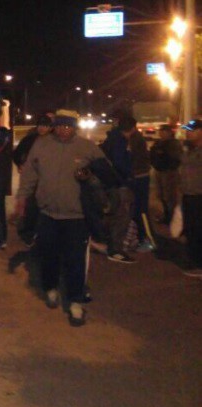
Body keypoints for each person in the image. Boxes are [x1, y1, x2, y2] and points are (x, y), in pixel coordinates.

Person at [15, 110, 107, 326]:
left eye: (69, 127)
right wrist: (22, 198)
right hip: (48, 213)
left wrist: (92, 179)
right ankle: (51, 287)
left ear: (75, 128)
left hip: (77, 217)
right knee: (48, 254)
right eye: (61, 126)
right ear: (55, 126)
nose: (65, 130)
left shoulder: (86, 147)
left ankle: (76, 301)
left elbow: (106, 175)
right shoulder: (41, 145)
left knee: (75, 260)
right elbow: (29, 174)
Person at [99, 117, 138, 264]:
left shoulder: (111, 138)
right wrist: (128, 178)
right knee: (122, 216)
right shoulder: (120, 141)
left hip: (110, 184)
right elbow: (120, 163)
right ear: (133, 128)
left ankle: (108, 243)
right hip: (120, 184)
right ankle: (115, 250)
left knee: (113, 214)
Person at [12, 114, 53, 246]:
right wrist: (21, 164)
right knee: (31, 205)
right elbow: (17, 153)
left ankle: (41, 233)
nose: (42, 129)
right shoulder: (30, 139)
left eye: (46, 126)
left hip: (47, 178)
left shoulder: (54, 141)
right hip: (32, 178)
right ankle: (28, 233)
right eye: (40, 125)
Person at [124, 117, 158, 252]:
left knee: (141, 210)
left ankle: (148, 240)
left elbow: (135, 159)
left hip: (140, 177)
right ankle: (141, 237)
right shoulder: (134, 138)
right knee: (137, 209)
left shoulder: (136, 139)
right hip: (138, 176)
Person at [179, 120, 202, 278]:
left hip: (199, 197)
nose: (188, 133)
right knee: (192, 230)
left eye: (192, 130)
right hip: (189, 197)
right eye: (187, 130)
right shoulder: (188, 149)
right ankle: (195, 262)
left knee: (198, 231)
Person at [150, 124, 183, 224]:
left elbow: (174, 157)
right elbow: (153, 154)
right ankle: (166, 215)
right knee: (160, 195)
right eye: (161, 131)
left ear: (169, 133)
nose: (161, 133)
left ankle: (171, 217)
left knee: (170, 196)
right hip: (159, 170)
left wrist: (162, 153)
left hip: (169, 172)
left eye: (163, 131)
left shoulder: (173, 143)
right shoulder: (159, 143)